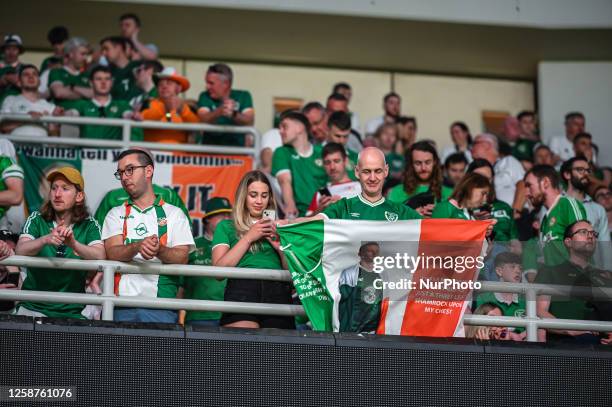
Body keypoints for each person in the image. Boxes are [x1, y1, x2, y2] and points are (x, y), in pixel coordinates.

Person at [102, 148, 194, 323]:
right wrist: (138, 245)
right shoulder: (114, 213)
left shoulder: (174, 214)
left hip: (161, 305)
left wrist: (158, 249)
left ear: (148, 171)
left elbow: (182, 257)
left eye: (129, 170)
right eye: (120, 172)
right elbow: (112, 252)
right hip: (120, 303)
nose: (124, 177)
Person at [14, 167, 105, 318]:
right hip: (33, 306)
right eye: (54, 188)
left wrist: (73, 244)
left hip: (73, 310)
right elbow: (20, 250)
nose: (57, 194)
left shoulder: (89, 224)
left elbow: (100, 255)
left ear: (79, 196)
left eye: (65, 189)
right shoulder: (37, 218)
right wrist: (45, 239)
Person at [212, 170, 294, 329]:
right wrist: (249, 237)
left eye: (264, 196)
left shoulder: (281, 227)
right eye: (253, 195)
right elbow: (218, 272)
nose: (259, 201)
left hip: (278, 289)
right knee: (244, 350)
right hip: (242, 287)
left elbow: (293, 274)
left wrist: (280, 247)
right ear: (243, 196)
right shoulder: (226, 226)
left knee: (278, 352)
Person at [536, 220, 606, 344]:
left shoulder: (605, 276)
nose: (590, 236)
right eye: (583, 232)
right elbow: (539, 311)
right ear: (568, 242)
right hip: (565, 344)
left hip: (603, 347)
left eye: (593, 233)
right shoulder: (550, 272)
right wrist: (572, 328)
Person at [524, 164, 587, 275]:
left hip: (577, 284)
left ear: (545, 183)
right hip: (558, 286)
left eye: (529, 186)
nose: (526, 193)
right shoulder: (544, 221)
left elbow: (584, 245)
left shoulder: (568, 204)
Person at [183, 197, 232, 327]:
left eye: (229, 216)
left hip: (232, 314)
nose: (226, 219)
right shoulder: (193, 246)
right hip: (198, 316)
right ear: (207, 219)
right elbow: (180, 284)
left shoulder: (238, 246)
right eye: (221, 215)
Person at [272, 111, 327, 218]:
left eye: (284, 126)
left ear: (300, 128)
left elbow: (330, 184)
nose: (280, 131)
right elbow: (284, 180)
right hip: (299, 216)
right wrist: (290, 204)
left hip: (324, 213)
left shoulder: (322, 152)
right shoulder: (282, 152)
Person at [66, 65, 143, 140]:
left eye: (107, 79)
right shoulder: (82, 105)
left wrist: (133, 115)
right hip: (86, 152)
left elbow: (127, 114)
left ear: (111, 83)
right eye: (99, 79)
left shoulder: (122, 105)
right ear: (91, 83)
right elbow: (71, 113)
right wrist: (62, 113)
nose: (103, 82)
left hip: (114, 152)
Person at [387, 141, 452, 217]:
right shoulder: (396, 193)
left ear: (435, 162)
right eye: (418, 163)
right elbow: (389, 221)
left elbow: (460, 223)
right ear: (411, 164)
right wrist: (410, 214)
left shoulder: (450, 194)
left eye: (427, 162)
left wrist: (441, 212)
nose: (423, 168)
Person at [197, 63, 254, 146]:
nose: (207, 86)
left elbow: (249, 119)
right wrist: (220, 111)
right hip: (210, 154)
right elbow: (203, 118)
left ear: (226, 83)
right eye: (206, 82)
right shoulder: (204, 96)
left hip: (237, 154)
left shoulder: (243, 96)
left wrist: (233, 114)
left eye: (211, 83)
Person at [138, 67, 199, 143]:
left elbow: (196, 126)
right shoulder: (149, 103)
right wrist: (165, 108)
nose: (164, 86)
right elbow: (144, 117)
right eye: (160, 84)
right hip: (154, 152)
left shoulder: (185, 107)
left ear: (178, 88)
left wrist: (182, 110)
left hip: (179, 153)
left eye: (169, 83)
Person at [475, 252, 526, 340]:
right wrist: (510, 335)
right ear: (499, 271)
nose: (518, 271)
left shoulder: (526, 300)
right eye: (512, 266)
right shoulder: (483, 298)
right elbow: (481, 329)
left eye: (520, 268)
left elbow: (534, 328)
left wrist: (520, 336)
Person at [1, 64, 62, 137]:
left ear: (39, 82)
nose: (31, 77)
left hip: (41, 147)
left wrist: (52, 124)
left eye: (35, 74)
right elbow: (3, 128)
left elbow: (54, 140)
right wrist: (26, 119)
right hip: (16, 146)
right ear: (19, 83)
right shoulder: (10, 100)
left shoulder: (50, 107)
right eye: (26, 74)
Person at [561, 157, 609, 246]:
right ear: (567, 174)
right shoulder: (555, 206)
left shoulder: (598, 209)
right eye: (580, 170)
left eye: (588, 170)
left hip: (593, 259)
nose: (586, 173)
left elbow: (605, 247)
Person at [305, 142, 361, 216]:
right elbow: (305, 222)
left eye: (336, 161)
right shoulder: (321, 193)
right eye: (327, 162)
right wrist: (320, 210)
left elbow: (372, 213)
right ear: (323, 165)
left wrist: (342, 206)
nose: (332, 167)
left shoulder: (361, 187)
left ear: (346, 161)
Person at [472, 133, 525, 209]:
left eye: (475, 143)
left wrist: (516, 212)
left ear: (487, 145)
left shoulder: (507, 161)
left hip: (514, 216)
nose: (471, 147)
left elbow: (522, 185)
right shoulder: (473, 169)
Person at [339, 242, 382, 333]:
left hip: (373, 331)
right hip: (352, 330)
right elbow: (341, 298)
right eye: (370, 250)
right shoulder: (350, 273)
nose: (374, 253)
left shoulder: (381, 275)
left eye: (376, 251)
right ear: (360, 253)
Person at [48, 37, 93, 108]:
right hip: (64, 116)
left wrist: (72, 87)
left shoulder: (87, 75)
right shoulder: (57, 72)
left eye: (86, 54)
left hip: (85, 116)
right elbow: (59, 93)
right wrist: (85, 94)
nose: (85, 58)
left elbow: (94, 94)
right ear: (71, 54)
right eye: (82, 54)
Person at [100, 36, 140, 101]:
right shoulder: (106, 72)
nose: (103, 53)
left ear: (119, 48)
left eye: (106, 49)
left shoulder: (140, 67)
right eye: (102, 50)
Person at [327, 110, 359, 177]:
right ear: (328, 130)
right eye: (337, 136)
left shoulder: (356, 158)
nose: (341, 141)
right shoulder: (315, 154)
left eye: (345, 136)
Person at [374, 123, 404, 190]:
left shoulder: (399, 159)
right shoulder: (372, 156)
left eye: (392, 135)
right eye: (385, 133)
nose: (389, 137)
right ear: (378, 136)